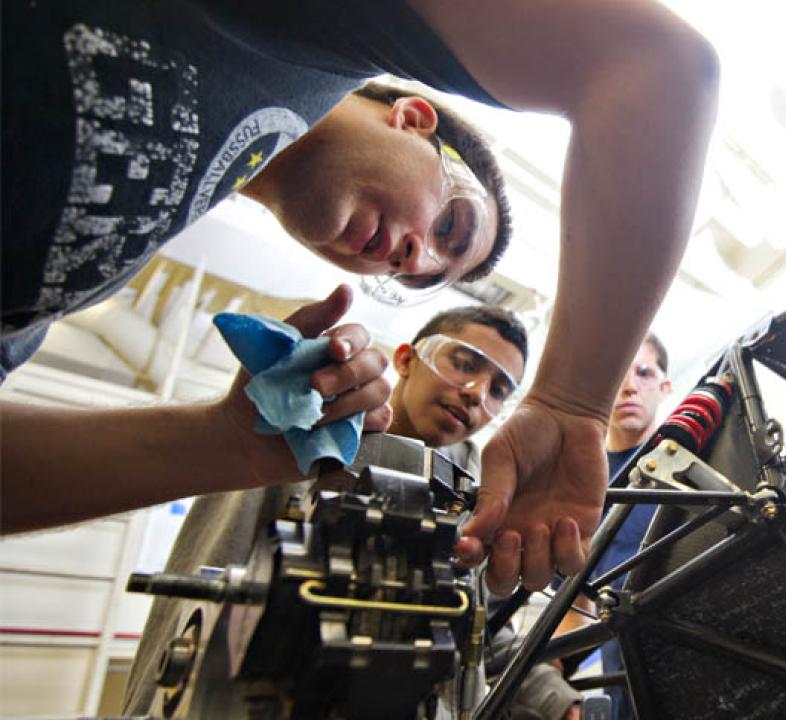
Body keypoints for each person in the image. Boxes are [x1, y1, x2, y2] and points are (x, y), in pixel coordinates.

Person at [1, 0, 721, 596]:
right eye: (451, 224)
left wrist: (225, 446)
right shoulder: (308, 36)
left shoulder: (123, 246)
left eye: (422, 275)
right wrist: (572, 402)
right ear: (412, 119)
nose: (420, 256)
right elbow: (656, 69)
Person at [124, 305, 582, 720]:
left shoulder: (480, 489)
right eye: (463, 364)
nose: (475, 393)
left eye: (499, 389)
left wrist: (558, 701)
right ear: (406, 360)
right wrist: (152, 706)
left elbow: (478, 624)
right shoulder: (313, 430)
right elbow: (210, 573)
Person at [592, 333, 673, 720]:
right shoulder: (581, 481)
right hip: (627, 679)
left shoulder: (701, 465)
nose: (628, 387)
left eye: (643, 373)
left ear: (664, 386)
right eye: (614, 376)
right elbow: (573, 600)